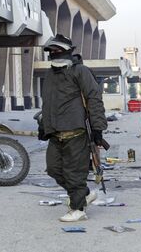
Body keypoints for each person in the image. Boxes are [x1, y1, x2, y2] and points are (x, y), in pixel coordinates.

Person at [40, 34, 107, 222]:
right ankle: (84, 194)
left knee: (74, 173)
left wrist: (97, 128)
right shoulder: (50, 75)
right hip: (55, 133)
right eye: (51, 51)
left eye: (57, 50)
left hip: (76, 133)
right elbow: (48, 103)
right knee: (53, 169)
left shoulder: (81, 71)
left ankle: (78, 209)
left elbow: (94, 99)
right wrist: (43, 126)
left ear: (68, 51)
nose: (54, 54)